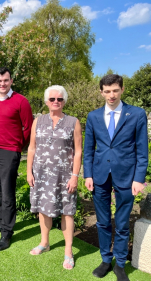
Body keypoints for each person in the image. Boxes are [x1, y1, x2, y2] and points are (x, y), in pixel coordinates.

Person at [84, 74, 148, 281]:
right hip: (100, 174)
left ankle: (120, 264)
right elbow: (89, 150)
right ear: (101, 92)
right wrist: (88, 175)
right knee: (103, 222)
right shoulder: (93, 116)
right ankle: (105, 259)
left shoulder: (136, 114)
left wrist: (139, 178)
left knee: (121, 222)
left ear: (121, 89)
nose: (111, 95)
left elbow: (142, 150)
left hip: (127, 175)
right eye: (107, 91)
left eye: (115, 90)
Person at [27, 85, 82, 269]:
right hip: (41, 175)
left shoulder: (73, 122)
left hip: (64, 176)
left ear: (64, 101)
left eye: (59, 99)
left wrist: (75, 176)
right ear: (46, 102)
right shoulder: (38, 121)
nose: (56, 102)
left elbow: (78, 151)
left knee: (67, 211)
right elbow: (32, 148)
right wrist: (29, 172)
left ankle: (68, 251)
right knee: (43, 209)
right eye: (52, 99)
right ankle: (45, 242)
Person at [0, 67, 33, 251]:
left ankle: (7, 232)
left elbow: (28, 127)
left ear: (11, 81)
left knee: (7, 193)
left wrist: (18, 146)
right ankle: (1, 223)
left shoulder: (21, 101)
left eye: (6, 80)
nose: (2, 84)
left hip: (9, 152)